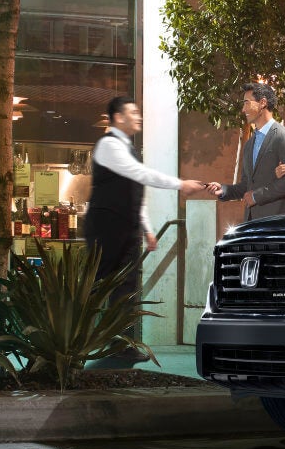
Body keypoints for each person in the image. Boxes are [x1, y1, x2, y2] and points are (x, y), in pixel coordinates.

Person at [87, 97, 206, 363]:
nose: (138, 116)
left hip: (126, 231)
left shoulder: (128, 149)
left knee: (126, 290)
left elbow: (134, 192)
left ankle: (123, 346)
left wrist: (148, 229)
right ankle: (74, 343)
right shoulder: (108, 145)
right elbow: (139, 174)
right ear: (118, 117)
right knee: (96, 288)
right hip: (105, 230)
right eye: (133, 112)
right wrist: (180, 184)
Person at [206, 83, 285, 219]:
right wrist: (224, 190)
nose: (243, 110)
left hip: (277, 221)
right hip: (253, 221)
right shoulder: (250, 144)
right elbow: (247, 184)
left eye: (246, 103)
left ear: (262, 103)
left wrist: (257, 196)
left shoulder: (284, 136)